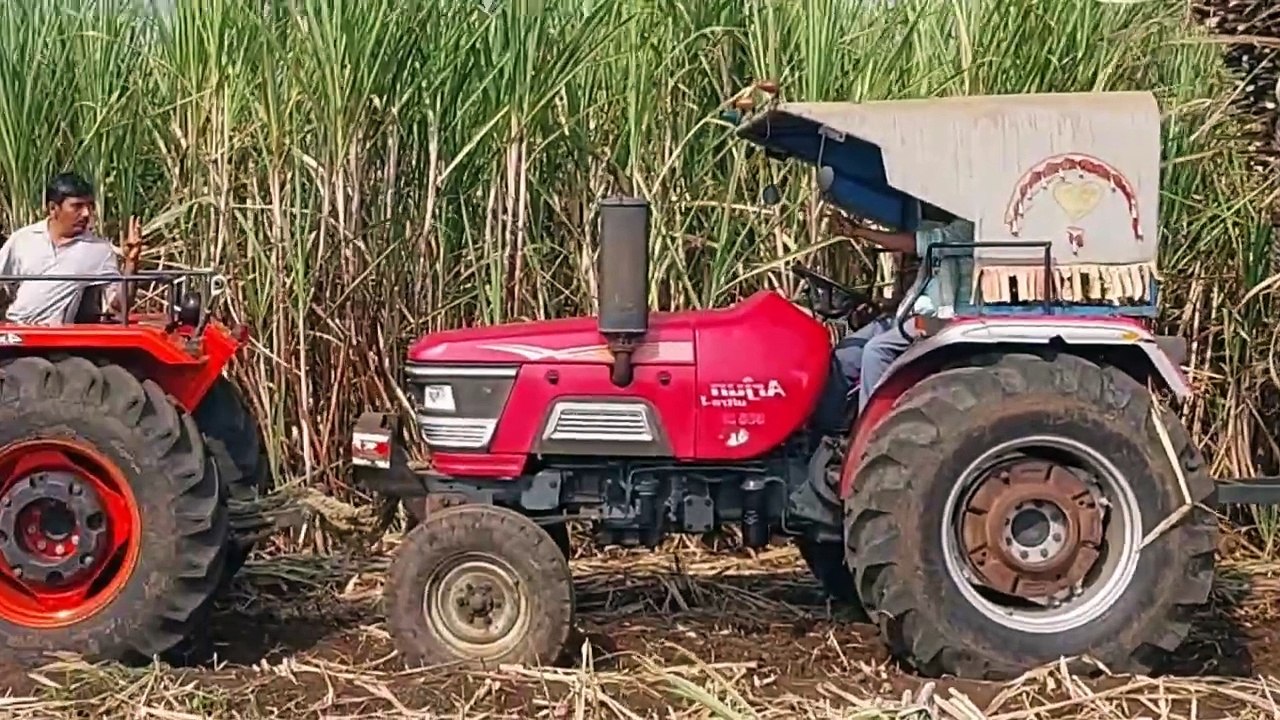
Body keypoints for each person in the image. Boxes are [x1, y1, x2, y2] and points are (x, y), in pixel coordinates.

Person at [828, 205, 974, 412]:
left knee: (876, 351)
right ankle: (831, 427)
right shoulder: (941, 236)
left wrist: (858, 231)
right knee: (846, 353)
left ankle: (869, 431)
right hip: (912, 316)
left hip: (942, 320)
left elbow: (915, 243)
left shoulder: (964, 230)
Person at [0, 173, 144, 326]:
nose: (86, 214)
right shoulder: (22, 239)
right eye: (77, 206)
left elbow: (119, 307)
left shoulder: (99, 250)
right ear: (53, 208)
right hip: (14, 330)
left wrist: (131, 263)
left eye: (89, 206)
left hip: (55, 338)